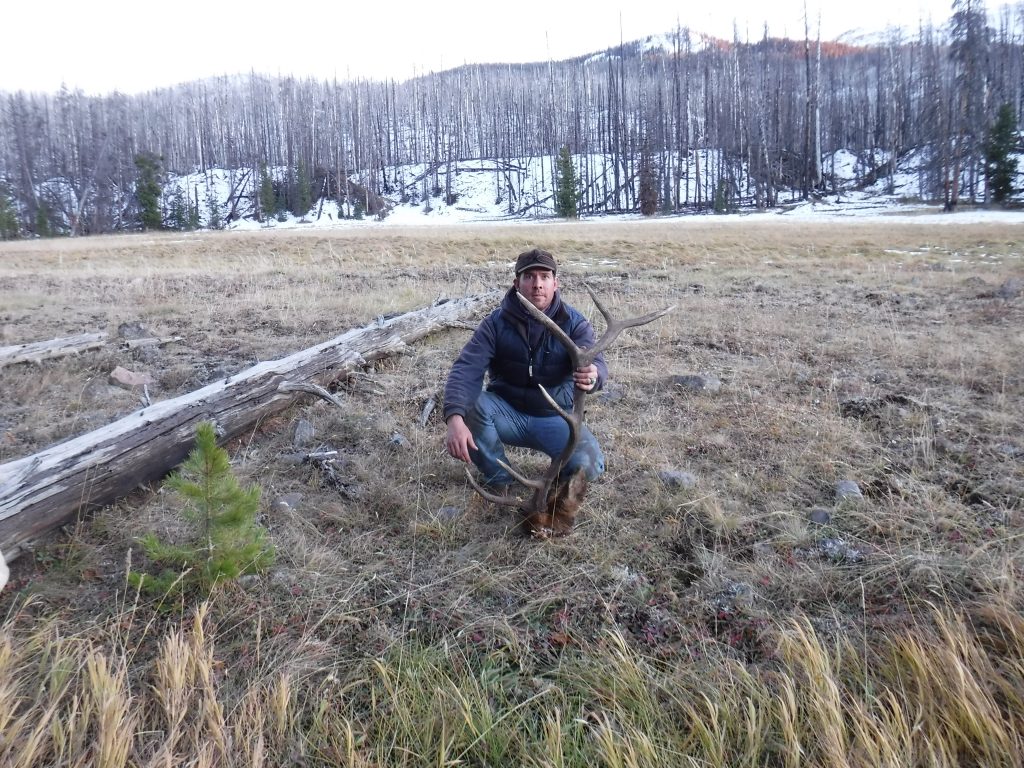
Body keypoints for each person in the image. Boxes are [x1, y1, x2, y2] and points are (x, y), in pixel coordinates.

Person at [444, 248, 607, 491]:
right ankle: (499, 480)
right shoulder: (495, 324)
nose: (537, 284)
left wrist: (593, 375)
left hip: (555, 416)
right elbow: (466, 368)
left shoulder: (575, 324)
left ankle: (559, 480)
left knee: (588, 467)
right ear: (517, 283)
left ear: (556, 283)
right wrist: (454, 418)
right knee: (470, 403)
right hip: (505, 413)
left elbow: (597, 364)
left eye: (544, 277)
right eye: (529, 277)